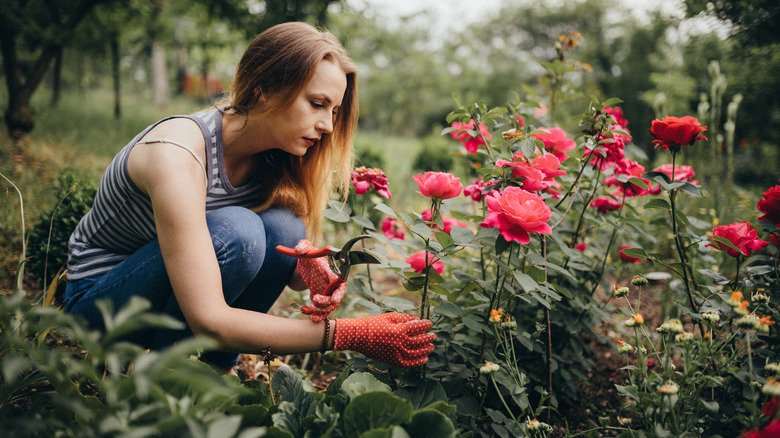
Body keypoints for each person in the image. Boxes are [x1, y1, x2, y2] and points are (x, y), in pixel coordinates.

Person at [63, 22, 436, 371]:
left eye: (335, 111)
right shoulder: (178, 153)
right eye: (317, 104)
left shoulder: (272, 160)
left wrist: (309, 269)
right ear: (264, 89)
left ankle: (207, 383)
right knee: (237, 231)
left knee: (285, 226)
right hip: (101, 303)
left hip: (168, 291)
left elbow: (286, 274)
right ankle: (159, 392)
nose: (327, 126)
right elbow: (208, 318)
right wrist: (351, 333)